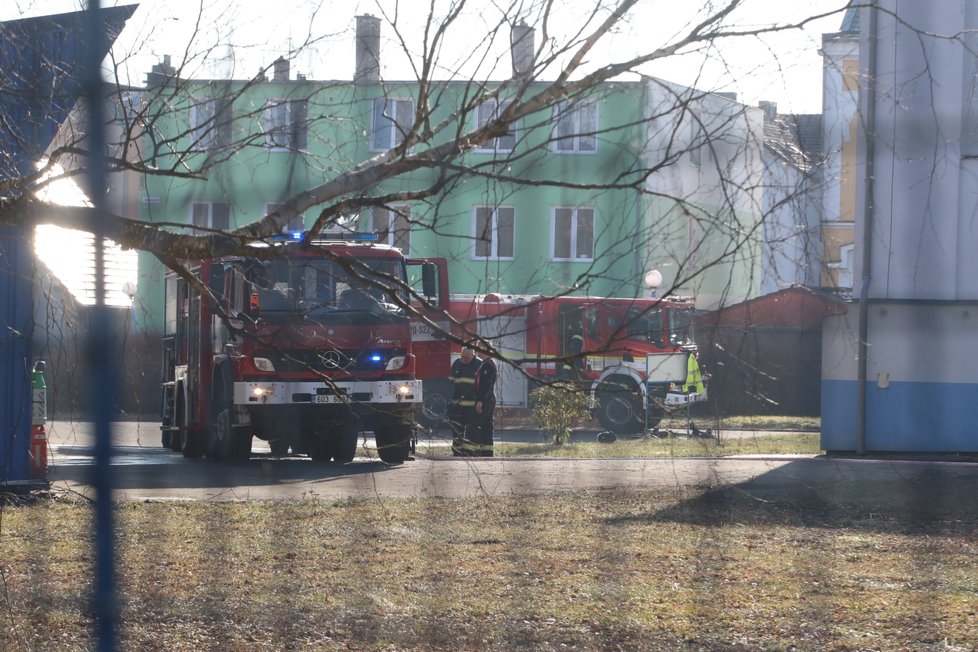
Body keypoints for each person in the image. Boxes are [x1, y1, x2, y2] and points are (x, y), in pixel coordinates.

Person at [448, 346, 481, 456]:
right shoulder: (457, 363)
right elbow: (451, 382)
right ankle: (457, 451)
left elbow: (482, 386)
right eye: (462, 356)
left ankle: (469, 452)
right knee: (456, 429)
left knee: (471, 429)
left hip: (472, 404)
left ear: (473, 355)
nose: (464, 359)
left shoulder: (479, 365)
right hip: (457, 404)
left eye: (467, 357)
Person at [472, 353, 497, 457]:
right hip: (487, 399)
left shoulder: (488, 365)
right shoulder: (486, 363)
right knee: (484, 425)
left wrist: (480, 401)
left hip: (486, 400)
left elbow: (485, 385)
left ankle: (486, 452)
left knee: (485, 425)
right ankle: (484, 451)